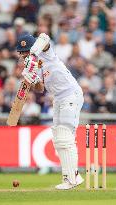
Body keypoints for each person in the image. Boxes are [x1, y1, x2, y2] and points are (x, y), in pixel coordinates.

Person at [16, 33, 84, 190]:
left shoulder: (46, 53)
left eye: (25, 51)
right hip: (58, 98)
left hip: (71, 94)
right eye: (22, 52)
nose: (24, 55)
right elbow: (40, 89)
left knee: (66, 136)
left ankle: (71, 179)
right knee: (59, 138)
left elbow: (44, 37)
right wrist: (33, 79)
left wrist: (33, 54)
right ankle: (72, 176)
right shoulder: (31, 66)